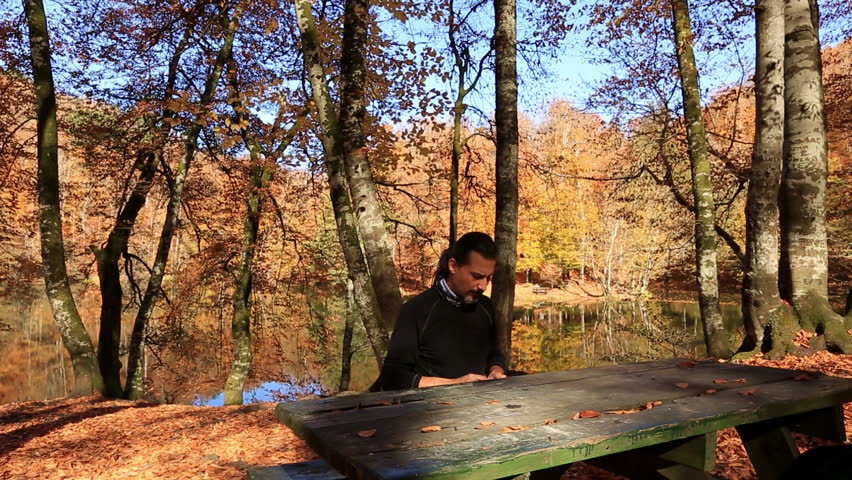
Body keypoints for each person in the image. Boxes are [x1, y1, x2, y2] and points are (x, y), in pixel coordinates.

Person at [379, 231, 507, 391]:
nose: (483, 286)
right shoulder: (417, 309)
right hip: (430, 411)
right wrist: (456, 384)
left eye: (488, 278)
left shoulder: (486, 307)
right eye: (476, 276)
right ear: (453, 266)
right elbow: (393, 377)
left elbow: (494, 354)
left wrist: (496, 370)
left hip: (484, 407)